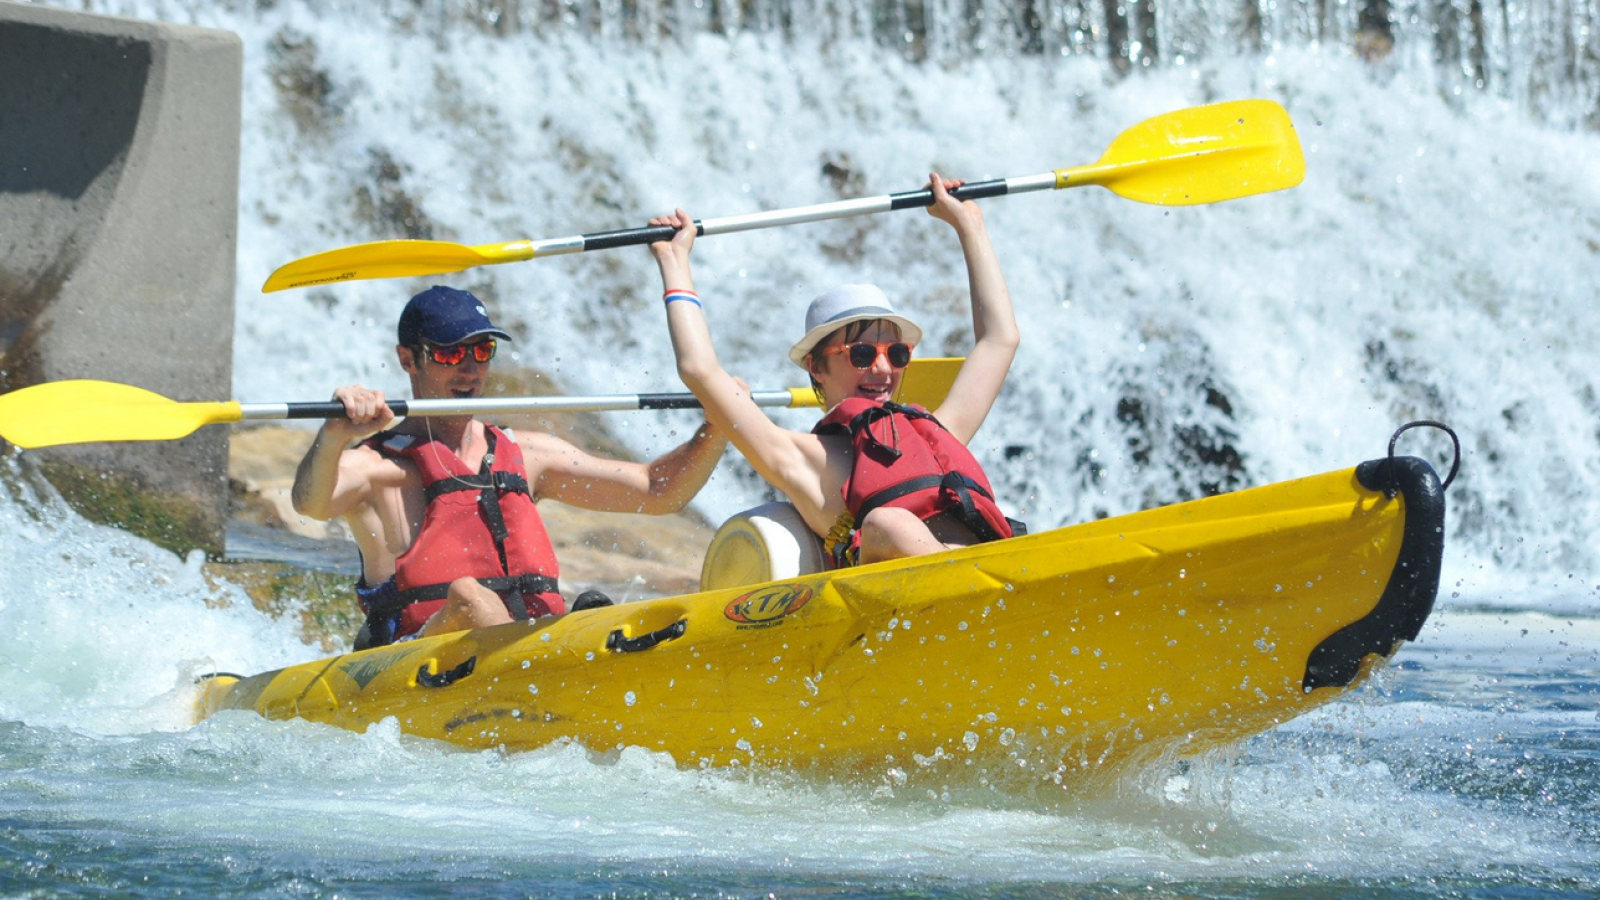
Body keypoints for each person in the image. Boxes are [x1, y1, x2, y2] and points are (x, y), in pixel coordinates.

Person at [292, 285, 730, 648]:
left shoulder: (528, 454)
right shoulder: (378, 467)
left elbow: (659, 491)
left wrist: (719, 424)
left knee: (600, 611)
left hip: (529, 657)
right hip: (420, 662)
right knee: (470, 598)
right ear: (409, 360)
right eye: (449, 354)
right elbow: (310, 502)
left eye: (481, 351)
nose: (469, 369)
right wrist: (333, 435)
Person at [647, 173, 1022, 568]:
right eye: (860, 353)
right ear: (816, 366)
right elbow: (699, 370)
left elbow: (1000, 339)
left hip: (988, 578)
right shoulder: (797, 459)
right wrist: (675, 262)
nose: (882, 368)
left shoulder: (939, 431)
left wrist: (968, 223)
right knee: (887, 524)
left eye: (896, 353)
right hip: (909, 605)